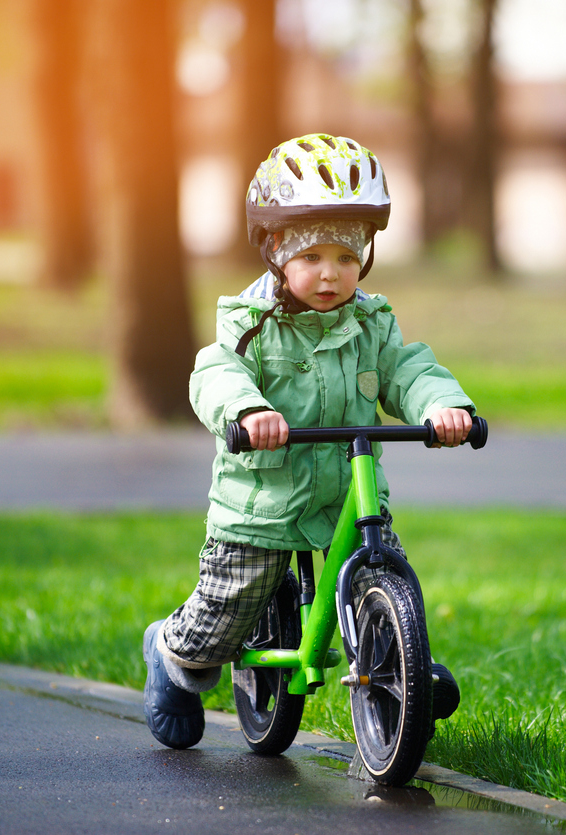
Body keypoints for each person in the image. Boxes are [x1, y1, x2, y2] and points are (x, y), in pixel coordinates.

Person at [142, 134, 475, 749]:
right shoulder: (250, 324)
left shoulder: (370, 321)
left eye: (347, 257)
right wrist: (248, 409)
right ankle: (171, 653)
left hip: (347, 495)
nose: (330, 273)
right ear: (274, 249)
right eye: (312, 254)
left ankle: (400, 659)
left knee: (381, 565)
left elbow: (407, 370)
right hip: (262, 504)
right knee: (222, 619)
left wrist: (444, 406)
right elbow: (215, 373)